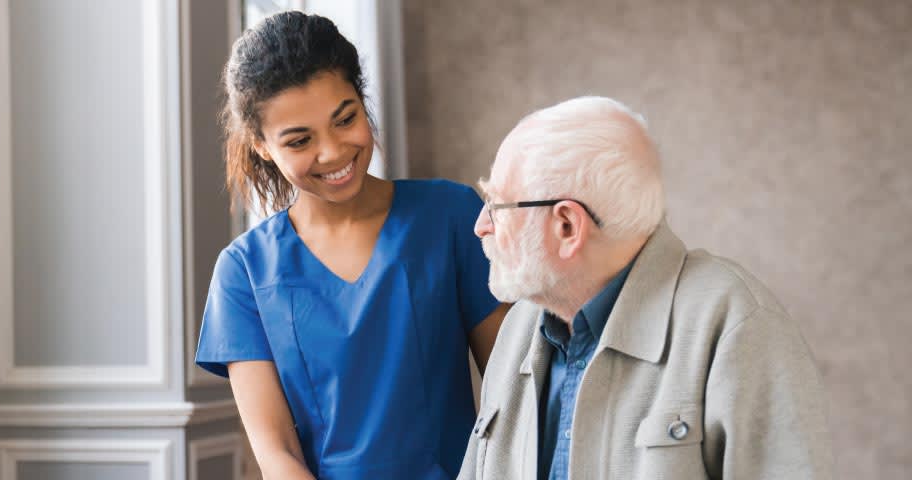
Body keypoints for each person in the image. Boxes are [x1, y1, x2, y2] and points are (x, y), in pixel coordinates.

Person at [193, 11, 509, 479]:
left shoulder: (451, 215)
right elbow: (276, 451)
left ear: (363, 101)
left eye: (346, 119)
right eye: (300, 140)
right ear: (262, 145)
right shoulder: (244, 271)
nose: (334, 152)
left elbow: (513, 395)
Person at [460, 96, 832, 479]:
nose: (481, 225)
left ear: (567, 226)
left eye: (498, 205)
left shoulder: (737, 323)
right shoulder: (518, 328)